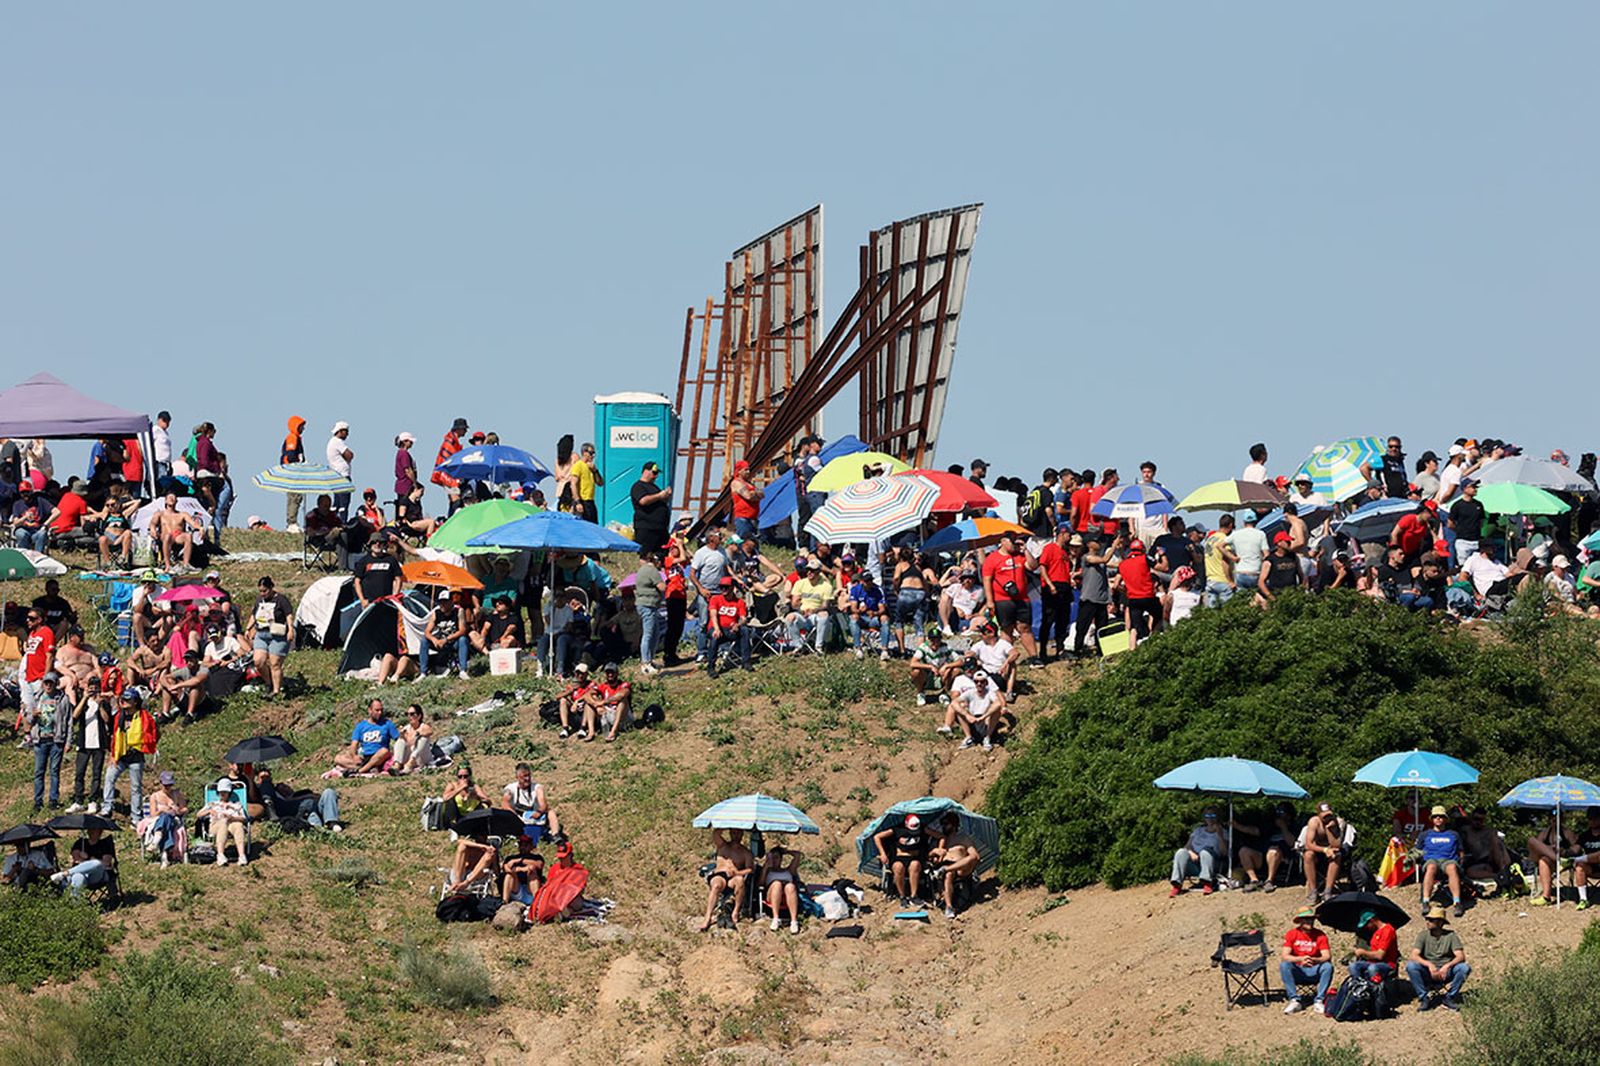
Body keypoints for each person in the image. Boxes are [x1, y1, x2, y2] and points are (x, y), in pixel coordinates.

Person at [982, 533, 1041, 667]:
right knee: (1006, 628)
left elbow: (1033, 566)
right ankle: (1004, 658)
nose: (1013, 543)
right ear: (1002, 541)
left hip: (1022, 598)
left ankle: (1033, 657)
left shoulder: (1019, 556)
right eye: (1011, 540)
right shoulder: (992, 558)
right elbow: (987, 580)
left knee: (1025, 627)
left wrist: (1025, 550)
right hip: (1002, 600)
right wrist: (990, 601)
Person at [103, 689, 157, 819]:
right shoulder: (119, 716)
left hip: (136, 756)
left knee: (135, 788)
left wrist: (148, 746)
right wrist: (113, 754)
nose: (124, 702)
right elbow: (115, 736)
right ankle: (107, 807)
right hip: (120, 756)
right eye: (123, 699)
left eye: (128, 699)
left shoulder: (144, 716)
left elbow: (155, 732)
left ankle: (136, 817)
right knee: (109, 778)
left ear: (135, 701)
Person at [1406, 903, 1469, 1011]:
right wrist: (1429, 964)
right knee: (1411, 966)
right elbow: (1414, 955)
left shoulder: (1451, 936)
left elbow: (1460, 956)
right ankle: (1424, 998)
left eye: (1431, 920)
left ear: (1440, 922)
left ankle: (1450, 997)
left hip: (1446, 972)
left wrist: (1447, 966)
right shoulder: (1423, 935)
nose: (1427, 922)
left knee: (1464, 968)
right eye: (1427, 919)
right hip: (1428, 971)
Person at [66, 675, 113, 814]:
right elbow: (74, 716)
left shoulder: (103, 703)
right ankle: (78, 800)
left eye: (95, 689)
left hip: (99, 743)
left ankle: (93, 801)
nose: (93, 691)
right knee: (79, 773)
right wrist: (85, 698)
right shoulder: (83, 701)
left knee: (96, 774)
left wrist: (99, 705)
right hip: (84, 743)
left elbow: (107, 720)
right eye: (90, 689)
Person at [698, 828, 756, 931]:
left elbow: (750, 869)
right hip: (719, 875)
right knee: (716, 885)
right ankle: (708, 917)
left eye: (738, 833)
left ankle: (736, 911)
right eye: (733, 832)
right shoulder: (723, 845)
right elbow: (716, 833)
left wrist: (737, 873)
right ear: (729, 833)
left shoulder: (745, 852)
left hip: (733, 877)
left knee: (740, 880)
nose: (736, 835)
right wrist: (726, 824)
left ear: (742, 834)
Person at [28, 671, 69, 813]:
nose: (48, 685)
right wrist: (32, 716)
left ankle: (53, 800)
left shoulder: (63, 699)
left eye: (51, 682)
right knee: (39, 772)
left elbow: (68, 721)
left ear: (56, 684)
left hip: (56, 740)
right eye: (46, 682)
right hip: (40, 740)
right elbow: (28, 721)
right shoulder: (37, 698)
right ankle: (38, 801)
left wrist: (68, 741)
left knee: (54, 771)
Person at [1280, 907, 1334, 1015]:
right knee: (1284, 965)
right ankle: (1294, 1000)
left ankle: (1319, 1000)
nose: (1310, 922)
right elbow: (1285, 955)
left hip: (1314, 969)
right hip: (1299, 970)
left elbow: (1327, 956)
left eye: (1311, 919)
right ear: (1300, 921)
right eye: (1306, 919)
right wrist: (1300, 959)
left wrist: (1314, 960)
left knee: (1328, 966)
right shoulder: (1292, 934)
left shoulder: (1320, 935)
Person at [930, 811, 981, 920]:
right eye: (942, 824)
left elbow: (974, 855)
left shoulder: (963, 838)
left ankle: (946, 869)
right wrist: (934, 851)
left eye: (946, 823)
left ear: (954, 825)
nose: (944, 826)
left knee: (973, 857)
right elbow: (929, 858)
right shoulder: (940, 840)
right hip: (945, 867)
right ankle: (949, 907)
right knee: (948, 875)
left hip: (960, 867)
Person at [249, 576, 294, 698]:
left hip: (277, 635)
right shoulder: (259, 600)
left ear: (271, 588)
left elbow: (288, 615)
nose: (262, 593)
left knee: (275, 663)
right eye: (260, 591)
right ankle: (268, 681)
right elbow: (254, 615)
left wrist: (291, 629)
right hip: (261, 634)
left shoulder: (281, 600)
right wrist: (249, 628)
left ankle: (276, 691)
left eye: (265, 591)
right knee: (258, 661)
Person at [1418, 805, 1466, 917]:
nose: (1438, 818)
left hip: (1448, 860)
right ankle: (1426, 901)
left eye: (1441, 816)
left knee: (1452, 868)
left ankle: (1457, 902)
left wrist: (1461, 863)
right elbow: (1417, 851)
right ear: (1432, 819)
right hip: (1431, 860)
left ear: (1445, 819)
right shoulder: (1425, 834)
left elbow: (1461, 851)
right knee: (1431, 867)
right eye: (1435, 816)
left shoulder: (1453, 834)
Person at [873, 813, 929, 907]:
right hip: (899, 857)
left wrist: (940, 847)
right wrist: (882, 853)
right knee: (898, 867)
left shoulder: (922, 829)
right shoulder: (898, 830)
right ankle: (902, 896)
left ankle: (914, 896)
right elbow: (877, 837)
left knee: (915, 865)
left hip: (914, 857)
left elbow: (940, 836)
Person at [1169, 809, 1226, 897]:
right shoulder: (1198, 830)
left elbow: (1224, 852)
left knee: (1205, 852)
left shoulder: (1223, 832)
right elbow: (1187, 846)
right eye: (1207, 816)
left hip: (1213, 861)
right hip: (1194, 859)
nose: (1210, 819)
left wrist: (1220, 835)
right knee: (1181, 852)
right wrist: (1191, 852)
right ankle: (1177, 884)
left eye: (1213, 816)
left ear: (1218, 817)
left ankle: (1207, 883)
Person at [501, 762, 562, 842]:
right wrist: (516, 816)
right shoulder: (510, 789)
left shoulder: (537, 788)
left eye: (528, 775)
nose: (527, 779)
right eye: (524, 776)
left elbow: (543, 804)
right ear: (517, 777)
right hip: (518, 817)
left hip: (536, 816)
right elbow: (504, 804)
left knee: (551, 812)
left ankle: (555, 835)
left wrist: (539, 812)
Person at [1302, 803, 1350, 904]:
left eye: (1329, 815)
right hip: (1317, 851)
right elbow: (1309, 844)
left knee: (1337, 855)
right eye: (1324, 816)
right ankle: (1313, 891)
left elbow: (1336, 845)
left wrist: (1330, 829)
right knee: (1308, 855)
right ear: (1319, 814)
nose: (1327, 818)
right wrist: (1324, 850)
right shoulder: (1314, 822)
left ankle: (1328, 890)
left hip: (1331, 852)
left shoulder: (1339, 822)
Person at [335, 699, 400, 773]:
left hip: (380, 757)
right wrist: (354, 756)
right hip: (365, 757)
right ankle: (369, 767)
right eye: (377, 710)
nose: (380, 713)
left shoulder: (387, 724)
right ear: (370, 710)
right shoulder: (361, 726)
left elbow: (398, 739)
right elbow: (354, 744)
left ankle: (361, 770)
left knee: (384, 751)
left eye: (381, 710)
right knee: (338, 758)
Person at [786, 558, 838, 652]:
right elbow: (794, 604)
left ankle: (818, 646)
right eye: (808, 570)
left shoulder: (826, 586)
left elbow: (825, 605)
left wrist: (813, 611)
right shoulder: (800, 583)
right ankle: (798, 646)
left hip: (816, 615)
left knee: (824, 615)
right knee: (790, 617)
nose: (809, 572)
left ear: (819, 571)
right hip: (802, 614)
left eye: (813, 570)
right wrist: (801, 611)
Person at [705, 576, 752, 677]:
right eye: (721, 587)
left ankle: (746, 662)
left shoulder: (739, 602)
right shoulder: (715, 599)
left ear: (732, 588)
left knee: (745, 630)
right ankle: (711, 667)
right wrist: (717, 629)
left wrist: (738, 624)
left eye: (726, 587)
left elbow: (743, 618)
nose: (723, 589)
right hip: (717, 628)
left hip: (731, 630)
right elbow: (713, 614)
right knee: (715, 636)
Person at [51, 826, 117, 898]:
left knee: (97, 863)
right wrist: (85, 860)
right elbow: (76, 859)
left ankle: (65, 874)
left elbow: (106, 863)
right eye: (90, 828)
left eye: (95, 829)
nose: (92, 831)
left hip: (98, 875)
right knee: (78, 876)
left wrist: (89, 858)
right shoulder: (80, 843)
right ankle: (75, 904)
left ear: (100, 831)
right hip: (82, 874)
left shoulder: (105, 844)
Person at [952, 670, 1005, 752]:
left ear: (986, 683)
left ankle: (987, 737)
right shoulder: (970, 693)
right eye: (976, 682)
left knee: (996, 711)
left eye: (982, 682)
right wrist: (967, 715)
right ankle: (968, 737)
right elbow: (954, 703)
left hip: (985, 722)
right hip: (973, 721)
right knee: (960, 709)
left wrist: (984, 717)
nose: (979, 684)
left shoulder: (990, 693)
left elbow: (998, 703)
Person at [845, 569, 891, 660]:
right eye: (867, 581)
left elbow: (882, 608)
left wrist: (875, 613)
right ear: (862, 581)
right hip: (862, 617)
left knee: (885, 618)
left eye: (870, 580)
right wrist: (860, 611)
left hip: (874, 618)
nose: (869, 583)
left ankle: (884, 650)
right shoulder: (855, 590)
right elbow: (853, 608)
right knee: (854, 618)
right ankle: (858, 648)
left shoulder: (878, 590)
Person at [201, 780, 250, 866]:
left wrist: (233, 818)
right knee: (223, 822)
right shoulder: (213, 804)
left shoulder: (236, 805)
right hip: (216, 826)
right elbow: (198, 815)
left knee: (238, 825)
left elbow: (244, 819)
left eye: (225, 792)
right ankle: (220, 855)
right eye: (220, 792)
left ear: (229, 792)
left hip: (231, 825)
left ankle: (242, 856)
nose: (222, 793)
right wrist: (209, 811)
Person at [910, 627, 960, 707]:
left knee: (956, 670)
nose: (935, 643)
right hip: (927, 674)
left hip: (941, 674)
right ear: (928, 640)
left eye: (938, 640)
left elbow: (960, 661)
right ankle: (921, 693)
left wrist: (947, 666)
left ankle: (944, 692)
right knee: (916, 671)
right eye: (933, 640)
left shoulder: (945, 647)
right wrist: (929, 667)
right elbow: (913, 663)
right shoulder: (923, 647)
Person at [629, 461, 672, 555]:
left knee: (662, 554)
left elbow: (661, 501)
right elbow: (643, 500)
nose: (656, 476)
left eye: (657, 474)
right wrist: (659, 496)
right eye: (654, 473)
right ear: (645, 472)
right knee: (645, 554)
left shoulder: (654, 487)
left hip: (660, 528)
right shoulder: (638, 486)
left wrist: (666, 496)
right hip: (647, 527)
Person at [146, 771, 188, 866]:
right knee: (165, 817)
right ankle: (164, 856)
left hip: (174, 820)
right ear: (161, 783)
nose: (168, 787)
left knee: (168, 817)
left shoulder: (177, 794)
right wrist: (162, 810)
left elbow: (185, 809)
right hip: (158, 821)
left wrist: (178, 810)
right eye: (166, 785)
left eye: (170, 785)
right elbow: (153, 814)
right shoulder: (155, 796)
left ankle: (157, 840)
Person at [153, 493, 204, 570]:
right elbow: (153, 523)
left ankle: (186, 564)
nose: (171, 499)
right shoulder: (160, 514)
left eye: (173, 497)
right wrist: (153, 529)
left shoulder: (182, 514)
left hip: (178, 536)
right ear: (165, 501)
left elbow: (193, 523)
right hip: (165, 536)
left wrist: (201, 528)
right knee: (167, 536)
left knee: (188, 536)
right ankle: (167, 565)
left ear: (176, 501)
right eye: (169, 497)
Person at [1348, 909, 1400, 985]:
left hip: (1387, 964)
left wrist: (1363, 952)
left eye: (1366, 924)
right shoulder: (1375, 933)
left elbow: (1380, 955)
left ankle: (1375, 991)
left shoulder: (1388, 930)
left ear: (1372, 920)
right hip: (1372, 962)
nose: (1366, 927)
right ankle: (1358, 987)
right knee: (1353, 966)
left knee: (1372, 968)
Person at [158, 649, 209, 724]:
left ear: (197, 660)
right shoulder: (184, 670)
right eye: (187, 660)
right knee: (168, 683)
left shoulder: (203, 669)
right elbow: (163, 678)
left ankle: (190, 715)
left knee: (195, 687)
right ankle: (165, 714)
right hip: (187, 699)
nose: (189, 663)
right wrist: (169, 686)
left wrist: (177, 686)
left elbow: (197, 680)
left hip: (202, 701)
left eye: (191, 660)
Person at [584, 663, 632, 742]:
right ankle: (591, 732)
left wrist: (603, 702)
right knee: (588, 704)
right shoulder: (603, 686)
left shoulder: (624, 685)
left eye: (612, 672)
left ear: (617, 673)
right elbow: (587, 695)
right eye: (607, 672)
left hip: (623, 717)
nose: (610, 674)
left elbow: (622, 694)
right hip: (608, 713)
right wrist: (596, 704)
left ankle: (613, 731)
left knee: (623, 701)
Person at [761, 843, 803, 933]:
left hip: (788, 895)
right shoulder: (767, 870)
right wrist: (766, 866)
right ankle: (776, 918)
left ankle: (794, 921)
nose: (774, 860)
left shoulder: (788, 870)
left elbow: (797, 855)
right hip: (772, 894)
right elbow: (760, 884)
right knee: (777, 884)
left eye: (776, 857)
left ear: (781, 859)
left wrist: (785, 852)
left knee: (790, 886)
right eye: (772, 858)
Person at [353, 534, 404, 608]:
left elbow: (398, 578)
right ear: (370, 544)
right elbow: (357, 581)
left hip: (387, 601)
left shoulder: (391, 560)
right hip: (369, 602)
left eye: (380, 542)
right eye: (374, 542)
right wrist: (362, 599)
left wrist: (395, 596)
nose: (377, 544)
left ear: (384, 545)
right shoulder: (363, 561)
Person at [971, 624, 1019, 699]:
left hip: (1000, 675)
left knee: (1012, 664)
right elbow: (970, 653)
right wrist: (974, 658)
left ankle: (1009, 692)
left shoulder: (1003, 644)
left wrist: (1005, 664)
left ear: (991, 633)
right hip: (985, 675)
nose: (981, 635)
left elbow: (1015, 653)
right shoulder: (979, 644)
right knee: (970, 661)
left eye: (983, 633)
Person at [440, 763, 493, 829]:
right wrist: (459, 788)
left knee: (484, 805)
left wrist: (475, 796)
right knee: (449, 801)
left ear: (470, 777)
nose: (463, 779)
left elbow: (488, 801)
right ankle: (452, 823)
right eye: (460, 776)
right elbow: (445, 798)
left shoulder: (474, 787)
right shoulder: (452, 786)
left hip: (471, 814)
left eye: (465, 776)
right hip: (456, 814)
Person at [501, 835, 546, 906]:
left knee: (532, 873)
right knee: (509, 875)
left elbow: (539, 865)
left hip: (531, 890)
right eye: (521, 845)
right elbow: (506, 868)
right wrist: (522, 868)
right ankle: (504, 902)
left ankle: (537, 904)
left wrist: (521, 862)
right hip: (516, 889)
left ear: (531, 846)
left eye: (526, 845)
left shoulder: (537, 857)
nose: (523, 847)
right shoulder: (511, 858)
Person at [392, 704, 436, 772]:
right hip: (409, 756)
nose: (409, 716)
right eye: (407, 714)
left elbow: (430, 731)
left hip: (420, 758)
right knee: (400, 741)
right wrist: (402, 736)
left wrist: (419, 733)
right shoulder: (406, 728)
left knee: (423, 738)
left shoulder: (423, 727)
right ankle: (397, 765)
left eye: (412, 714)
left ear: (419, 716)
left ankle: (409, 765)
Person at [729, 459, 763, 542]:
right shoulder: (736, 483)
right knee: (743, 542)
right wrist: (755, 494)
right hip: (743, 517)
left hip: (753, 518)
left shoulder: (749, 483)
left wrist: (753, 494)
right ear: (739, 471)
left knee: (753, 543)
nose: (748, 472)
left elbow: (762, 494)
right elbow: (748, 496)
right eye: (746, 469)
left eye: (748, 469)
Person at [1573, 805, 1600, 911]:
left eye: (1595, 818)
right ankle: (1583, 899)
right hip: (1591, 869)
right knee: (1579, 867)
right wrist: (1564, 851)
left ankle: (1579, 859)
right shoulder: (1584, 836)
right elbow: (1576, 848)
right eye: (1590, 818)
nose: (1592, 821)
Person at [326, 420, 354, 517]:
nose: (347, 434)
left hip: (335, 476)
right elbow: (349, 455)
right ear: (341, 431)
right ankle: (342, 523)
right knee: (343, 503)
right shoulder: (338, 442)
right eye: (346, 431)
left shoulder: (331, 442)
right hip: (342, 476)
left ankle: (333, 522)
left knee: (337, 503)